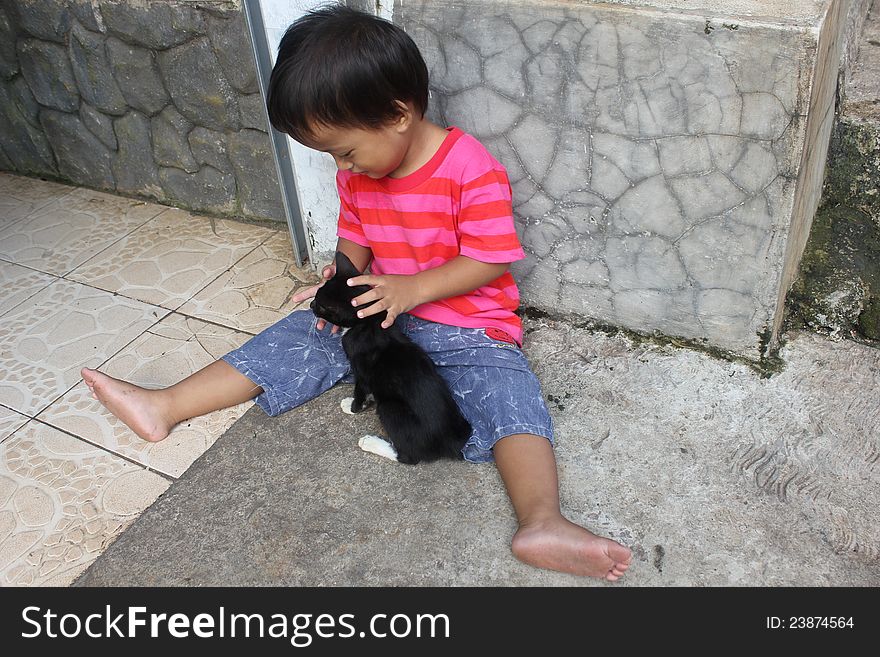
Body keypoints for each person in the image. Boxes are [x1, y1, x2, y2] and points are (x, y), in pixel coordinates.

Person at [81, 6, 631, 581]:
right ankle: (165, 405)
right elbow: (356, 231)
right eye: (332, 158)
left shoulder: (469, 167)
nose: (342, 167)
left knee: (508, 392)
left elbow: (490, 257)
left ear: (397, 113)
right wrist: (340, 277)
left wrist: (414, 287)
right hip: (378, 311)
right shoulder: (360, 172)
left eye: (345, 152)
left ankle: (542, 520)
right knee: (303, 333)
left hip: (467, 321)